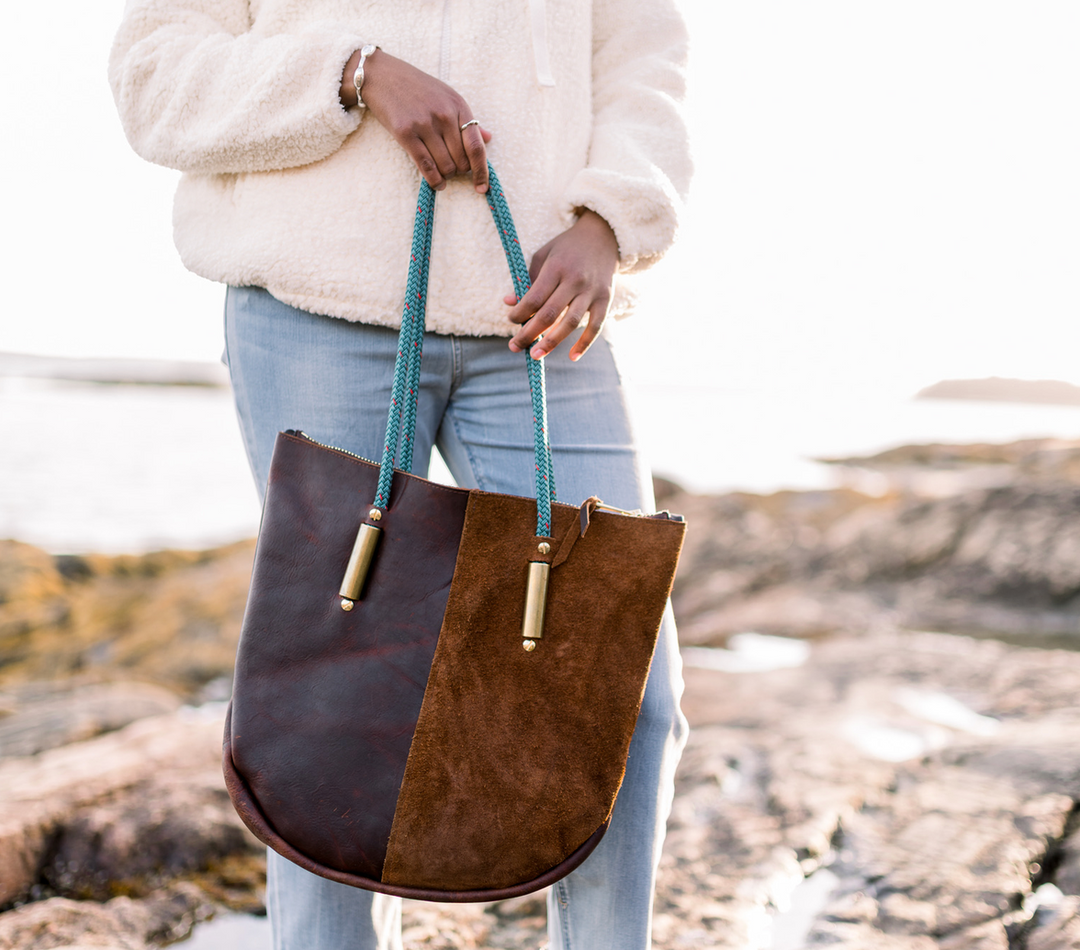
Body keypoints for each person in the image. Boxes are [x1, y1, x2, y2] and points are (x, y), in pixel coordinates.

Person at [110, 2, 692, 948]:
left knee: (628, 693)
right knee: (325, 707)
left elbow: (647, 65)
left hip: (543, 316)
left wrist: (608, 221)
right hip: (314, 310)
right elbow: (154, 78)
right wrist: (354, 69)